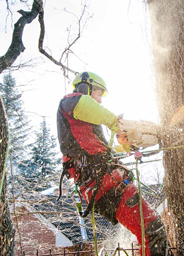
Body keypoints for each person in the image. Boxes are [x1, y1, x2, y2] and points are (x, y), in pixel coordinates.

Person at [57, 71, 172, 256]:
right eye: (99, 94)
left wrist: (124, 149)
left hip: (106, 184)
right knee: (153, 232)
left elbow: (101, 152)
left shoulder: (84, 125)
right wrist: (117, 124)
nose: (100, 101)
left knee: (153, 231)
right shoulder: (70, 102)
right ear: (84, 88)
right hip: (105, 185)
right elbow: (85, 105)